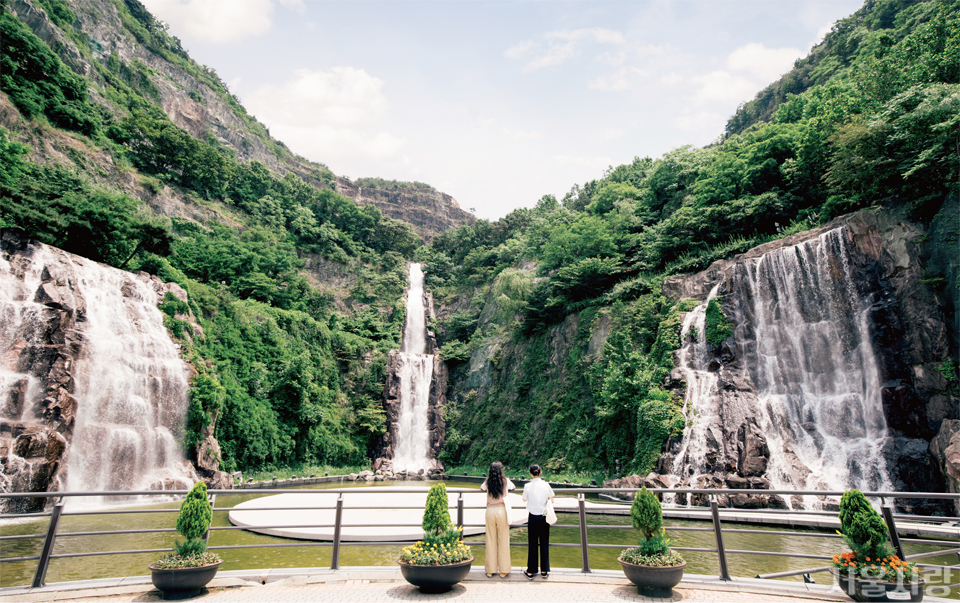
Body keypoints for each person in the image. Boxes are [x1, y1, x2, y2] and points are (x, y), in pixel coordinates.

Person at [480, 461, 516, 578]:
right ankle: (503, 570)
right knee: (503, 540)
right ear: (501, 470)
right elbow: (513, 487)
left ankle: (490, 570)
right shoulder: (505, 481)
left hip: (490, 511)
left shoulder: (487, 481)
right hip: (502, 511)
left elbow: (482, 488)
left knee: (490, 540)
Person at [521, 463, 554, 579]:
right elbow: (552, 499)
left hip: (533, 517)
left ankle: (531, 571)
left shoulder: (527, 486)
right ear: (540, 472)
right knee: (544, 543)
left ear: (530, 473)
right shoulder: (546, 485)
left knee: (533, 543)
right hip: (544, 517)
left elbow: (524, 499)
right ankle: (544, 570)